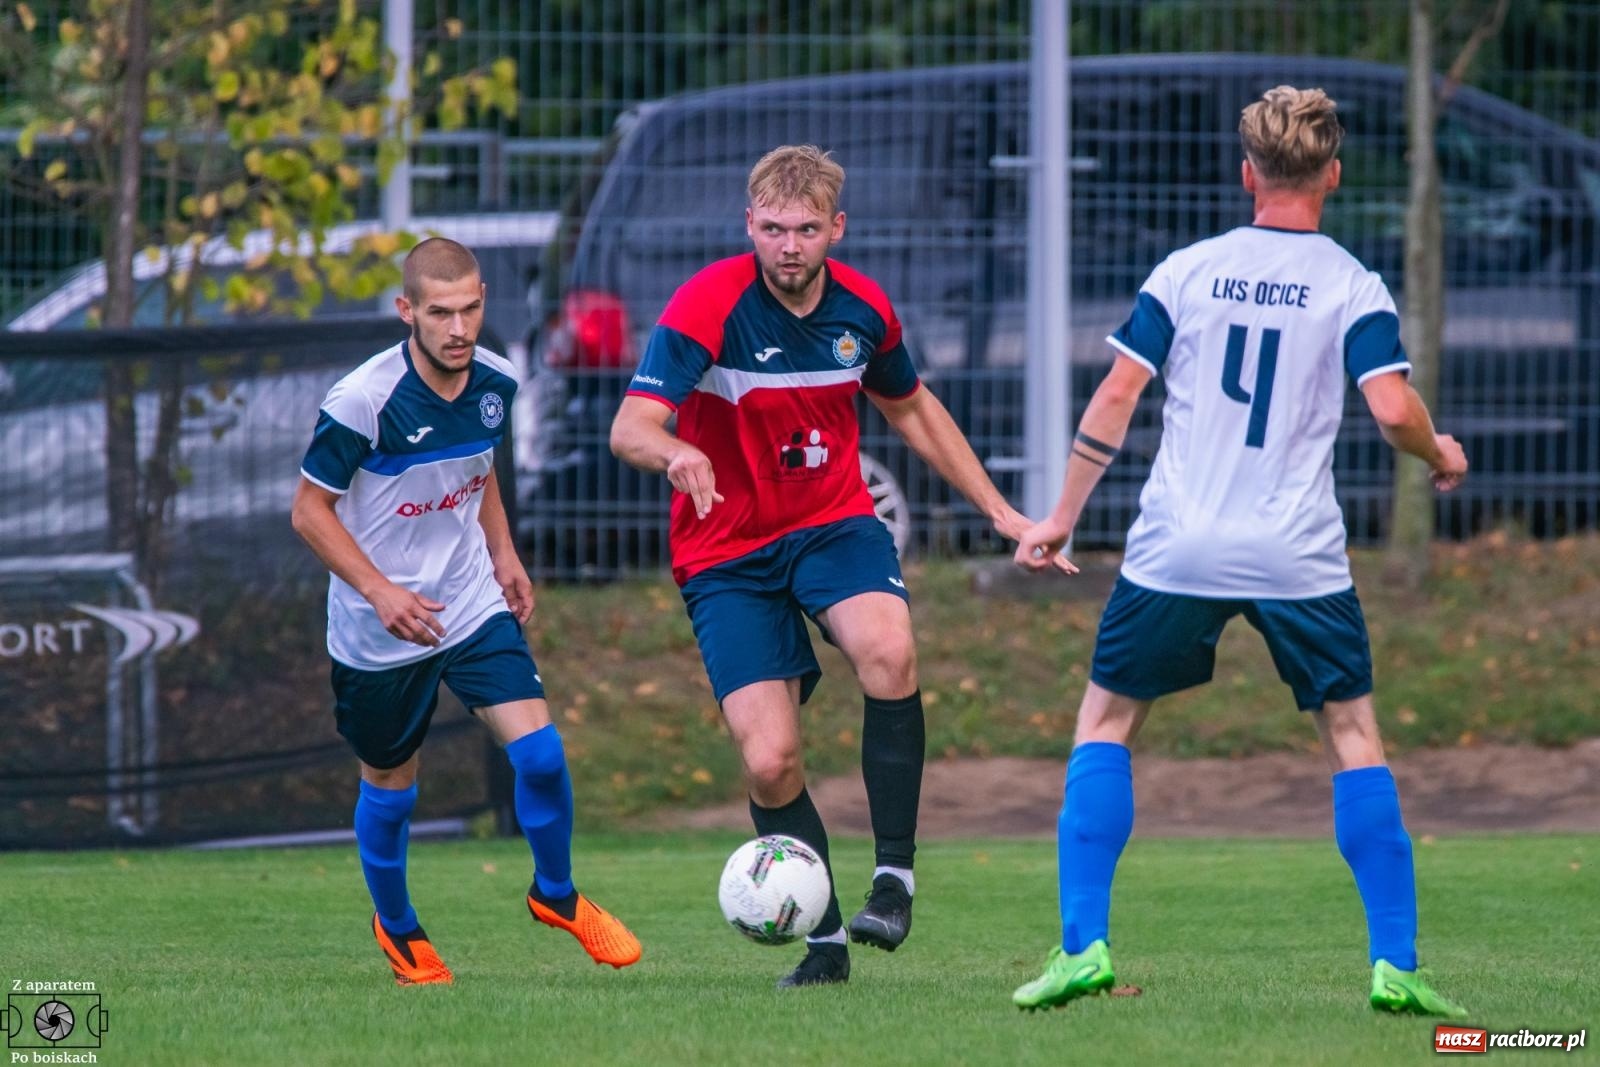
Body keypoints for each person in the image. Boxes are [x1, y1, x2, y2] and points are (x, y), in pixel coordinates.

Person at [1008, 87, 1471, 1017]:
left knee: (1106, 724)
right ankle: (1396, 964)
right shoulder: (1351, 283)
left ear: (1247, 174)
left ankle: (1083, 946)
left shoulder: (1188, 271)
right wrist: (1439, 452)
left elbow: (1115, 396)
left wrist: (1060, 514)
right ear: (1333, 175)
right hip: (1298, 553)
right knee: (1352, 737)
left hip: (1178, 545)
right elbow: (1390, 408)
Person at [610, 144, 1043, 988]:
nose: (789, 246)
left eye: (806, 229)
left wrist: (1001, 512)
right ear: (749, 225)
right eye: (773, 228)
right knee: (770, 761)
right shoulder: (708, 303)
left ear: (836, 228)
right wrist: (675, 453)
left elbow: (912, 409)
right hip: (725, 549)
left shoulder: (863, 309)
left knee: (889, 650)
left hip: (831, 521)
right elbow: (630, 427)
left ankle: (894, 881)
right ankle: (827, 941)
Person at [291, 237, 641, 985]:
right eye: (440, 313)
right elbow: (309, 511)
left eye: (470, 310)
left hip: (470, 598)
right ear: (406, 310)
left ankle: (556, 894)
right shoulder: (362, 401)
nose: (458, 329)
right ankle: (398, 926)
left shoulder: (497, 380)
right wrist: (379, 590)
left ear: (484, 301)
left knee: (540, 755)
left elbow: (476, 471)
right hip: (379, 628)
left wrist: (504, 553)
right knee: (391, 783)